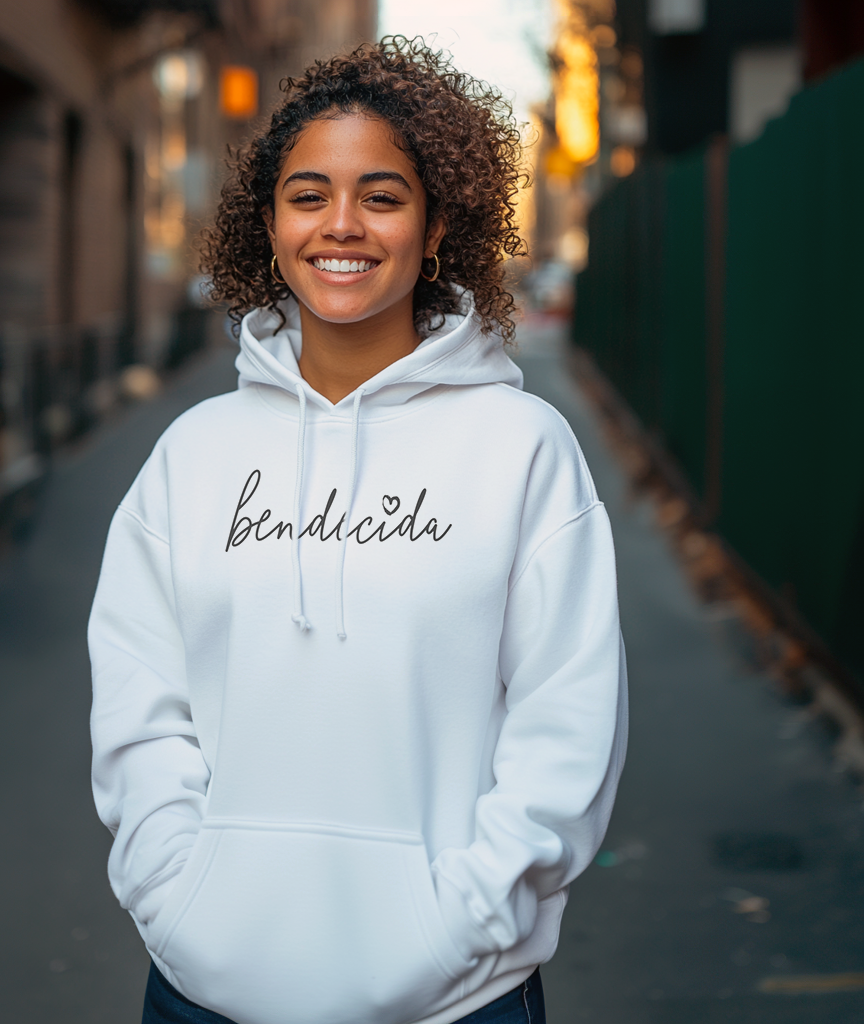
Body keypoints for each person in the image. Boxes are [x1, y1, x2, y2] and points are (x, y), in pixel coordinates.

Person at [89, 37, 627, 1024]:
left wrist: (459, 923)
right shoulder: (193, 454)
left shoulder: (521, 448)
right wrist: (177, 897)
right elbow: (139, 706)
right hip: (204, 993)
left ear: (432, 230)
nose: (342, 225)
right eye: (308, 195)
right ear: (269, 224)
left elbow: (567, 724)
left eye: (382, 195)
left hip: (457, 996)